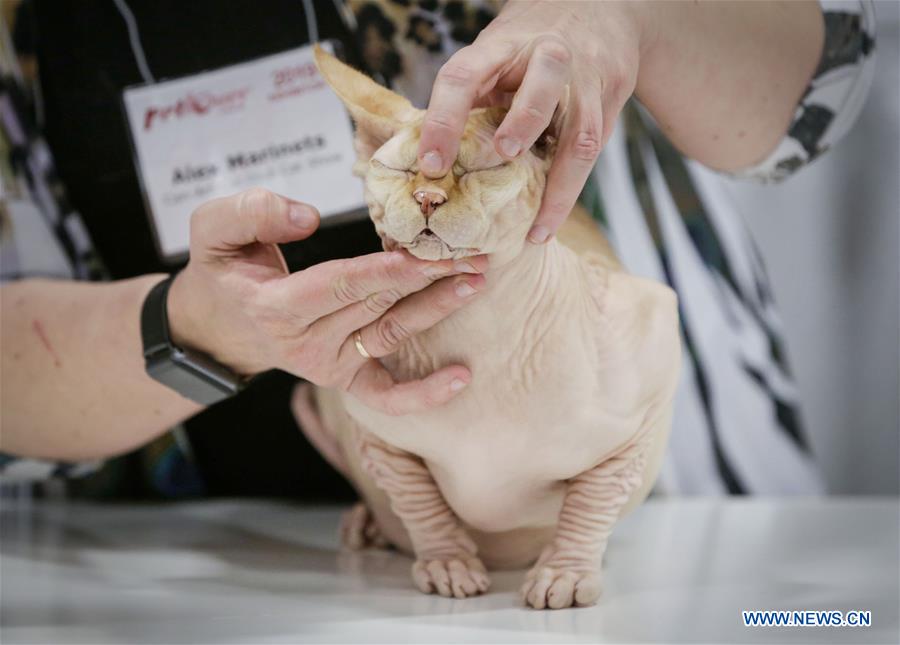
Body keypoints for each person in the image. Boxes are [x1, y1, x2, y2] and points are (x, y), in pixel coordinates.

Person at [0, 0, 875, 496]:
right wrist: (190, 332)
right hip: (216, 556)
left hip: (652, 497)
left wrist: (633, 14)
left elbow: (820, 85)